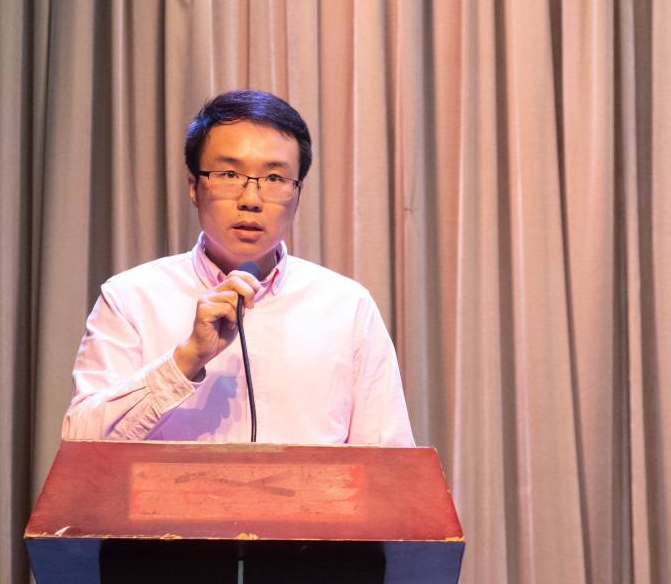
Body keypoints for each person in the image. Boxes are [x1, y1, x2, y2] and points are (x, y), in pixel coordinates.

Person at [61, 90, 415, 446]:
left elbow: (388, 462)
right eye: (229, 174)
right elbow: (80, 444)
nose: (250, 199)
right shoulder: (130, 299)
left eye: (274, 179)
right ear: (194, 187)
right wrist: (186, 359)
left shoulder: (348, 307)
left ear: (297, 194)